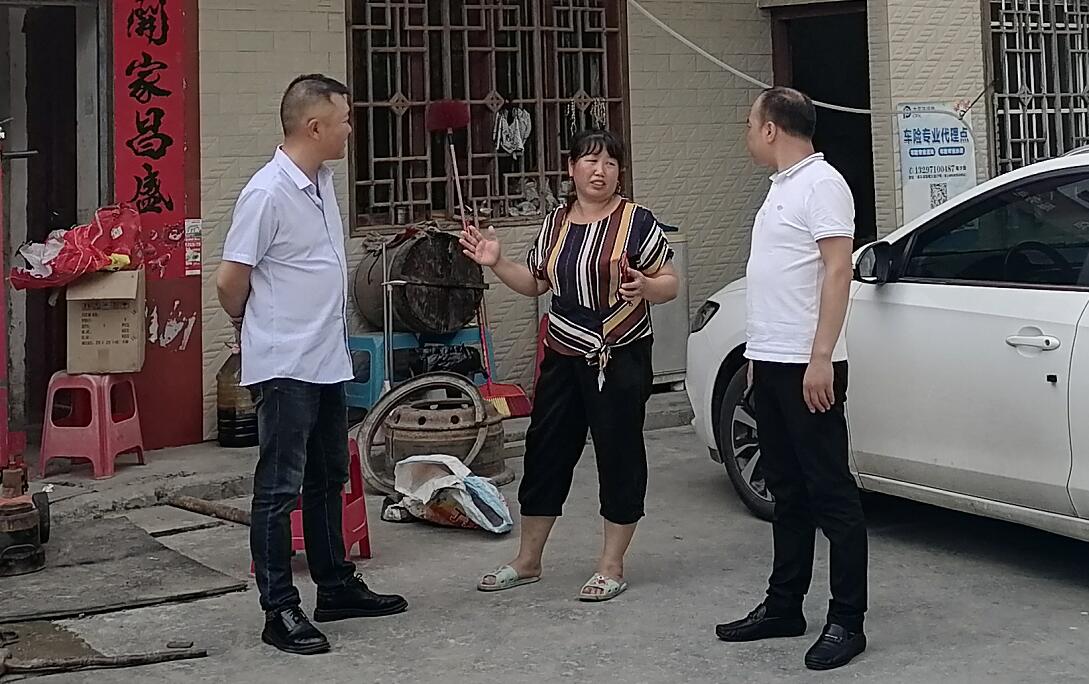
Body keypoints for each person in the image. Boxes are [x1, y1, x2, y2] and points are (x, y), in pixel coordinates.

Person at [216, 74, 407, 656]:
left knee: (329, 476)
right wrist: (252, 326)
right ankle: (279, 608)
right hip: (285, 362)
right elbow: (229, 280)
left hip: (326, 358)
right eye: (345, 120)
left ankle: (335, 585)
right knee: (279, 487)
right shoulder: (266, 192)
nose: (351, 129)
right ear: (314, 126)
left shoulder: (322, 181)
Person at [461, 129, 678, 602]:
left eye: (610, 163)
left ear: (620, 173)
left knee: (619, 454)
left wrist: (646, 286)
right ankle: (528, 560)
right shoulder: (555, 222)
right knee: (546, 451)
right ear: (571, 168)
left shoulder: (636, 222)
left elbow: (669, 281)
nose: (600, 171)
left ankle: (611, 565)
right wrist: (496, 262)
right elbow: (535, 283)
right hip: (562, 354)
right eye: (590, 161)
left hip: (620, 355)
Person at [714, 87, 867, 671]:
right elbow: (778, 279)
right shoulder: (781, 188)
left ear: (771, 129)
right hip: (772, 362)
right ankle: (784, 605)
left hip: (810, 366)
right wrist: (758, 353)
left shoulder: (822, 185)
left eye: (749, 123)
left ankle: (847, 620)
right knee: (787, 491)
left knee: (831, 493)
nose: (747, 133)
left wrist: (821, 356)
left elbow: (838, 269)